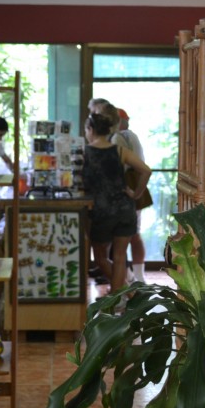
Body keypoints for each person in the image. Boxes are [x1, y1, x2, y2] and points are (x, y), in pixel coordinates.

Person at [82, 112, 151, 294]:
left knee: (100, 257)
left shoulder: (86, 152)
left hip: (101, 210)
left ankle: (123, 293)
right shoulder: (119, 151)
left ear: (90, 129)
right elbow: (146, 171)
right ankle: (124, 293)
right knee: (120, 257)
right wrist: (135, 194)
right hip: (124, 208)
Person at [111, 108, 149, 283]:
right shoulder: (132, 136)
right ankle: (138, 276)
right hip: (135, 188)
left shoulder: (118, 138)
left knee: (123, 236)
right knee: (135, 234)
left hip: (126, 190)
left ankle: (128, 278)